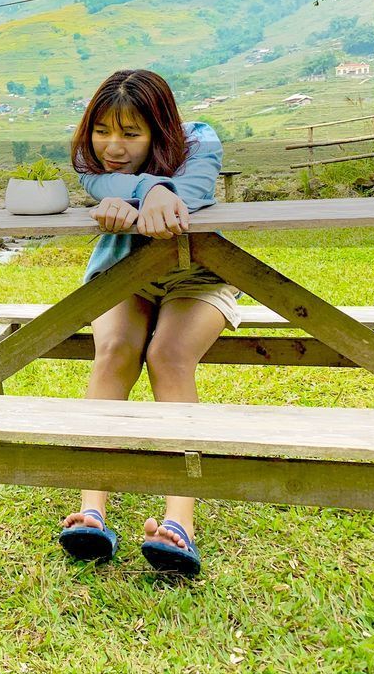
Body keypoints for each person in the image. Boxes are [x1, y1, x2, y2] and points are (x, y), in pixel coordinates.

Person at [57, 68, 240, 576]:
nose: (112, 146)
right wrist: (155, 190)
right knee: (114, 353)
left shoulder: (199, 139)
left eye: (131, 134)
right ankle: (91, 511)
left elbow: (198, 187)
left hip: (197, 278)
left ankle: (180, 522)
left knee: (169, 356)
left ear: (160, 130)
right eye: (102, 130)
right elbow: (106, 180)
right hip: (126, 274)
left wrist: (154, 194)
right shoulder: (88, 161)